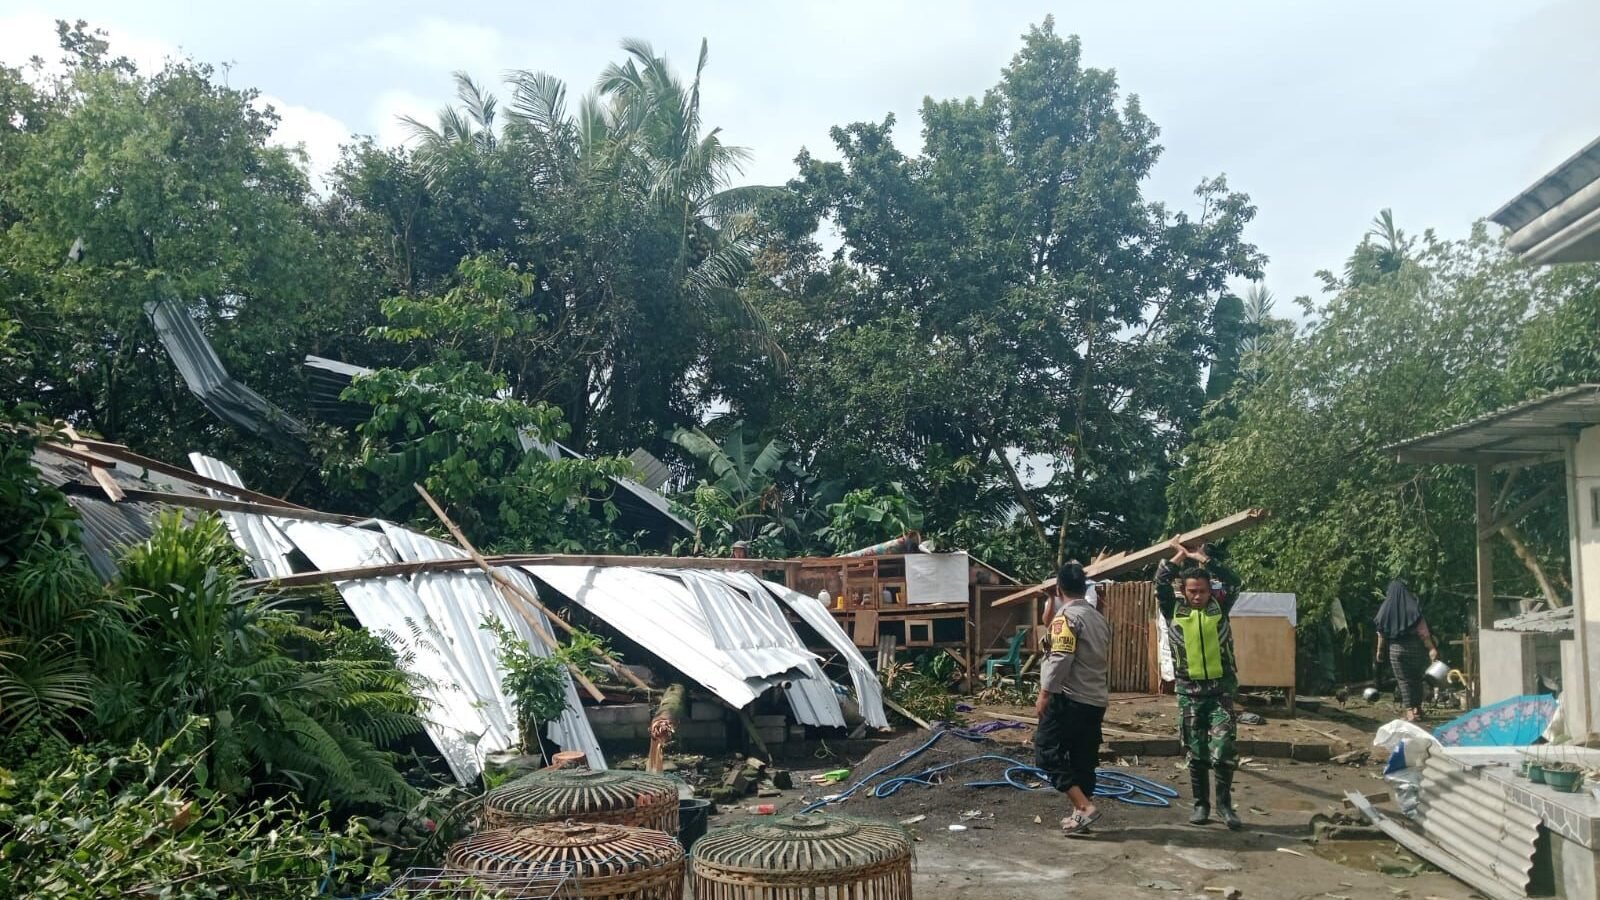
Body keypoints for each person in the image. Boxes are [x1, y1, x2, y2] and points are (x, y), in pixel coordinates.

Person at [1155, 539, 1243, 830]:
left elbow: (1235, 581)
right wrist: (1178, 557)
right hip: (1189, 695)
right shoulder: (1173, 610)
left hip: (1220, 694)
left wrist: (1204, 559)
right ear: (1184, 591)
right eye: (1192, 591)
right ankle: (1201, 804)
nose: (1197, 597)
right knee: (1197, 753)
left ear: (1210, 591)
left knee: (1224, 751)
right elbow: (1160, 583)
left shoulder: (1220, 607)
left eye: (1202, 591)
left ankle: (1225, 806)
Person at [1033, 560, 1112, 836]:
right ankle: (1081, 818)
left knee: (1046, 750)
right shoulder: (1097, 618)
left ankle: (1083, 806)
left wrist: (1045, 694)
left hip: (1071, 699)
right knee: (1082, 758)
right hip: (1096, 699)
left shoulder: (1067, 619)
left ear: (1058, 587)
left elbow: (1061, 659)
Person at [1373, 579, 1438, 722]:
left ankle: (1409, 712)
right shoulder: (1413, 609)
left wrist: (1379, 652)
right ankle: (1418, 709)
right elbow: (1424, 633)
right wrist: (1431, 648)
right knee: (1416, 679)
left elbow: (1381, 635)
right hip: (1416, 650)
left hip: (1396, 650)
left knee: (1403, 681)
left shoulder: (1385, 610)